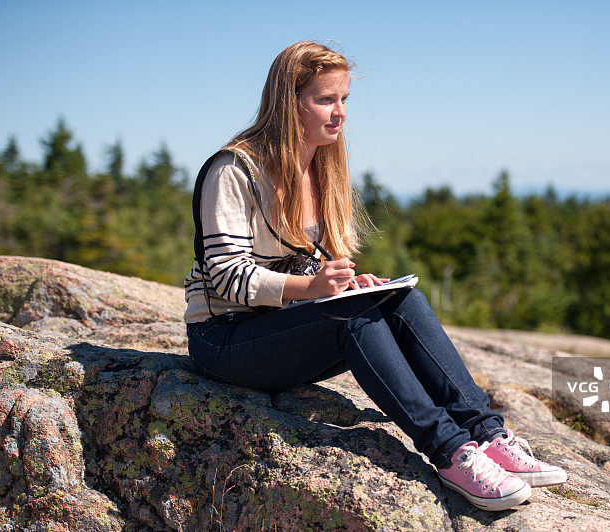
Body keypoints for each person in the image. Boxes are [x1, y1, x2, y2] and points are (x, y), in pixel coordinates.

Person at [183, 41, 566, 512]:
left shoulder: (319, 168)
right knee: (353, 319)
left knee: (400, 300)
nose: (339, 112)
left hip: (278, 329)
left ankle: (487, 435)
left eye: (344, 99)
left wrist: (342, 282)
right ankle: (450, 451)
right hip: (222, 341)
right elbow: (224, 276)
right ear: (289, 100)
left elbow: (304, 264)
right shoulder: (233, 169)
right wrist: (312, 288)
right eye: (325, 99)